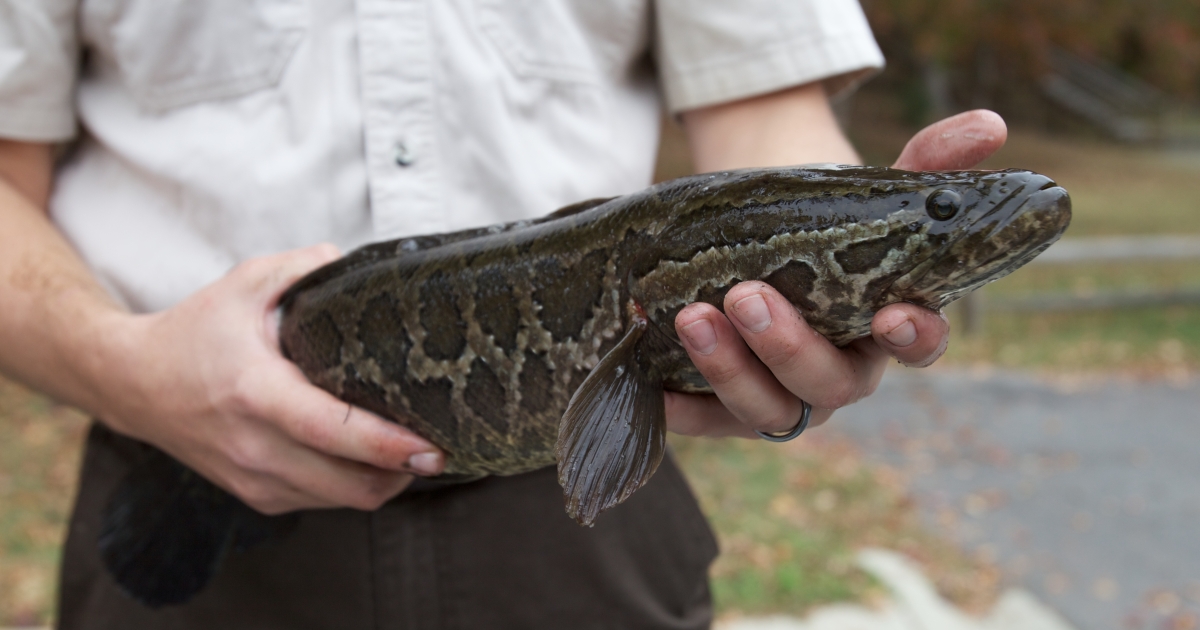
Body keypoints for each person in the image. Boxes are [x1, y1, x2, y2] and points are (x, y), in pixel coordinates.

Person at [0, 1, 1007, 628]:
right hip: (181, 487)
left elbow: (760, 106)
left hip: (584, 512)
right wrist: (123, 366)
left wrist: (868, 215)